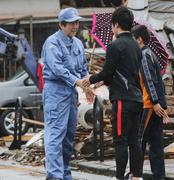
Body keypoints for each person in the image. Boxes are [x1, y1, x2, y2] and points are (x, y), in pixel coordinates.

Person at [83, 6, 143, 180]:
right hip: (136, 99)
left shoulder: (115, 45)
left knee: (120, 141)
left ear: (116, 24)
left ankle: (118, 177)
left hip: (122, 100)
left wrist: (91, 79)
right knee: (134, 142)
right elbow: (120, 74)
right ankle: (137, 177)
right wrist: (103, 80)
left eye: (112, 25)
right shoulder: (136, 46)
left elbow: (107, 73)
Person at [41, 8, 94, 180]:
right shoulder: (52, 43)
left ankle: (64, 173)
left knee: (68, 135)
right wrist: (78, 82)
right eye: (72, 23)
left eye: (77, 22)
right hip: (55, 91)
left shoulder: (78, 43)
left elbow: (82, 69)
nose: (75, 26)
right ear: (61, 25)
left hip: (71, 93)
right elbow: (57, 68)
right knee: (56, 134)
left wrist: (87, 87)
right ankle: (55, 176)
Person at [131, 25, 169, 180]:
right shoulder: (149, 54)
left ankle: (136, 174)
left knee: (139, 141)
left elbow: (149, 80)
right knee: (156, 143)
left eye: (133, 39)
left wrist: (154, 101)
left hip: (148, 105)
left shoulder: (144, 55)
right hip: (155, 105)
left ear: (139, 39)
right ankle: (158, 176)